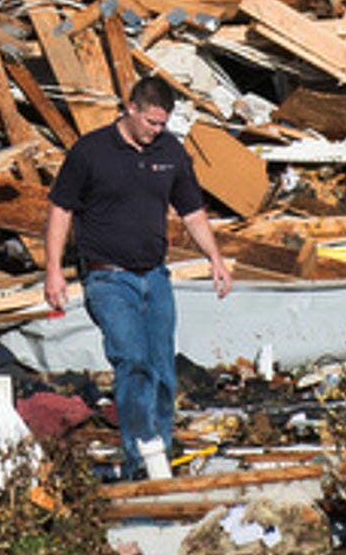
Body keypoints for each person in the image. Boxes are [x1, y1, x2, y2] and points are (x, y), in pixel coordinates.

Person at [43, 75, 231, 479]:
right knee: (132, 361)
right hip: (108, 278)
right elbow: (61, 210)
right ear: (131, 108)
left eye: (163, 124)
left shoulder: (171, 153)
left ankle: (158, 451)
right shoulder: (91, 152)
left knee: (163, 368)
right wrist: (53, 270)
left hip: (155, 277)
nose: (156, 131)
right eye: (151, 123)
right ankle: (139, 457)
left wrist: (215, 257)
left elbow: (192, 212)